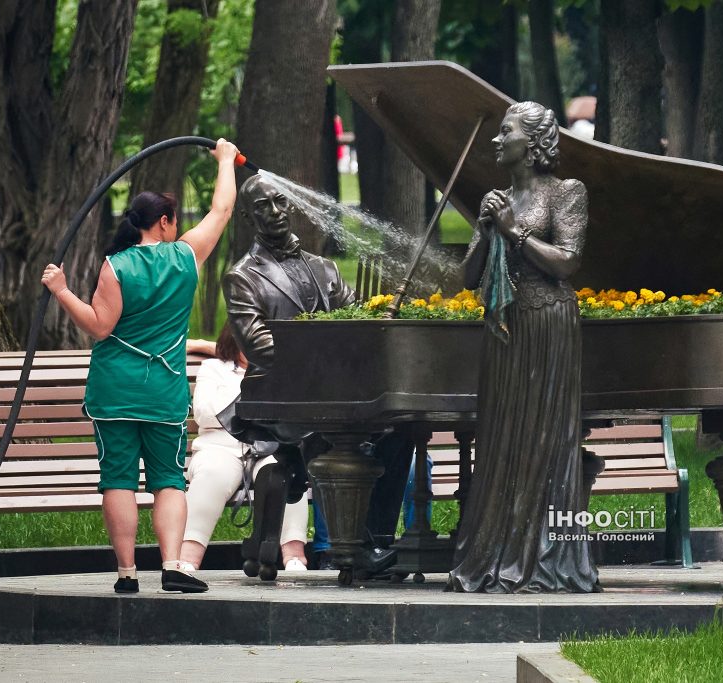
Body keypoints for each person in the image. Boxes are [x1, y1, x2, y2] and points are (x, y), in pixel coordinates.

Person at [41, 138, 240, 594]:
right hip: (163, 390)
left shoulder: (115, 266)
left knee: (118, 480)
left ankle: (127, 574)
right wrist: (225, 161)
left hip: (114, 389)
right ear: (165, 222)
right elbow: (222, 210)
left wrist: (62, 290)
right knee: (169, 479)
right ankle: (173, 567)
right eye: (175, 220)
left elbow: (100, 327)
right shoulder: (185, 257)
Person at [222, 173, 411, 572]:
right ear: (247, 217)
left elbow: (357, 325)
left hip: (337, 393)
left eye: (279, 201)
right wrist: (329, 357)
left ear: (291, 205)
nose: (274, 212)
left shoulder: (325, 269)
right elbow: (259, 347)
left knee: (401, 428)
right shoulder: (241, 277)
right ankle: (351, 549)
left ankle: (379, 538)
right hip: (278, 396)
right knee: (337, 432)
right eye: (262, 206)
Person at [447, 102, 599, 593]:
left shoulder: (566, 193)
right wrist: (490, 228)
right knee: (503, 436)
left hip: (548, 325)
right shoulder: (496, 198)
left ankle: (547, 560)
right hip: (505, 329)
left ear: (532, 144)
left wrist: (515, 231)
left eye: (505, 131)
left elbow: (568, 262)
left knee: (544, 438)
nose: (496, 139)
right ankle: (497, 553)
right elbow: (469, 277)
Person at [181, 329, 310, 572]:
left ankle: (294, 555)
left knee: (288, 471)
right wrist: (254, 408)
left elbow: (287, 414)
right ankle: (187, 559)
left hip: (269, 444)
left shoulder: (280, 373)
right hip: (219, 447)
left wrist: (235, 412)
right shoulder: (213, 368)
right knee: (212, 473)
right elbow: (204, 414)